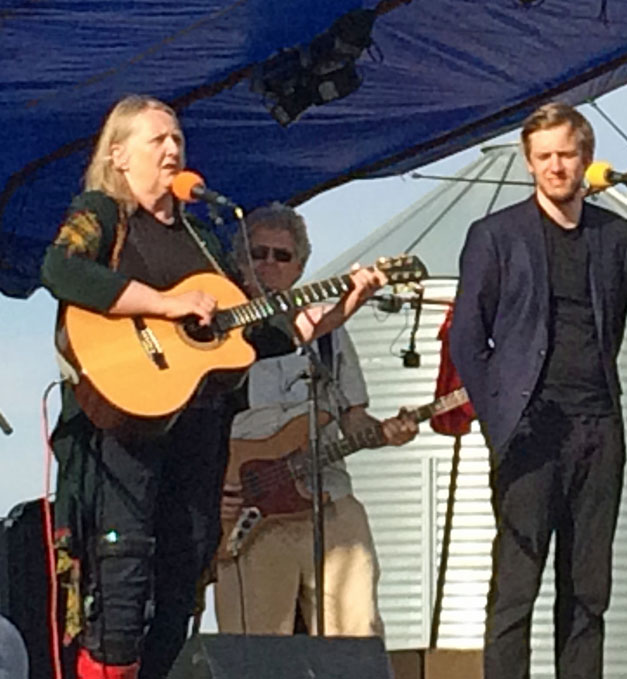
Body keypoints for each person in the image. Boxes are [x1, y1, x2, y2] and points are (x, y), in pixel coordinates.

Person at [40, 95, 386, 679]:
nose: (173, 148)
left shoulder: (202, 235)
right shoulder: (102, 212)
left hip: (198, 431)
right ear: (119, 155)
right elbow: (61, 270)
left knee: (186, 568)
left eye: (178, 138)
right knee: (122, 574)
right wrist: (165, 304)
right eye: (158, 140)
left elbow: (253, 333)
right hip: (123, 429)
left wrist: (331, 315)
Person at [450, 102, 627, 679]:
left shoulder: (617, 235)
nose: (556, 167)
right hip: (529, 428)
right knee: (516, 586)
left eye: (566, 154)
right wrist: (498, 417)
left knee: (588, 591)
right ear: (529, 164)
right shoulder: (496, 235)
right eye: (544, 157)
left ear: (586, 157)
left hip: (598, 426)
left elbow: (615, 322)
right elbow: (465, 338)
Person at [213, 203, 418, 636]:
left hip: (328, 499)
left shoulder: (329, 330)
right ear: (239, 261)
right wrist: (213, 491)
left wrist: (386, 434)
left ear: (300, 267)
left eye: (281, 256)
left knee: (355, 638)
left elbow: (353, 419)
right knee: (258, 651)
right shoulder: (217, 333)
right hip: (250, 513)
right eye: (258, 253)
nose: (268, 263)